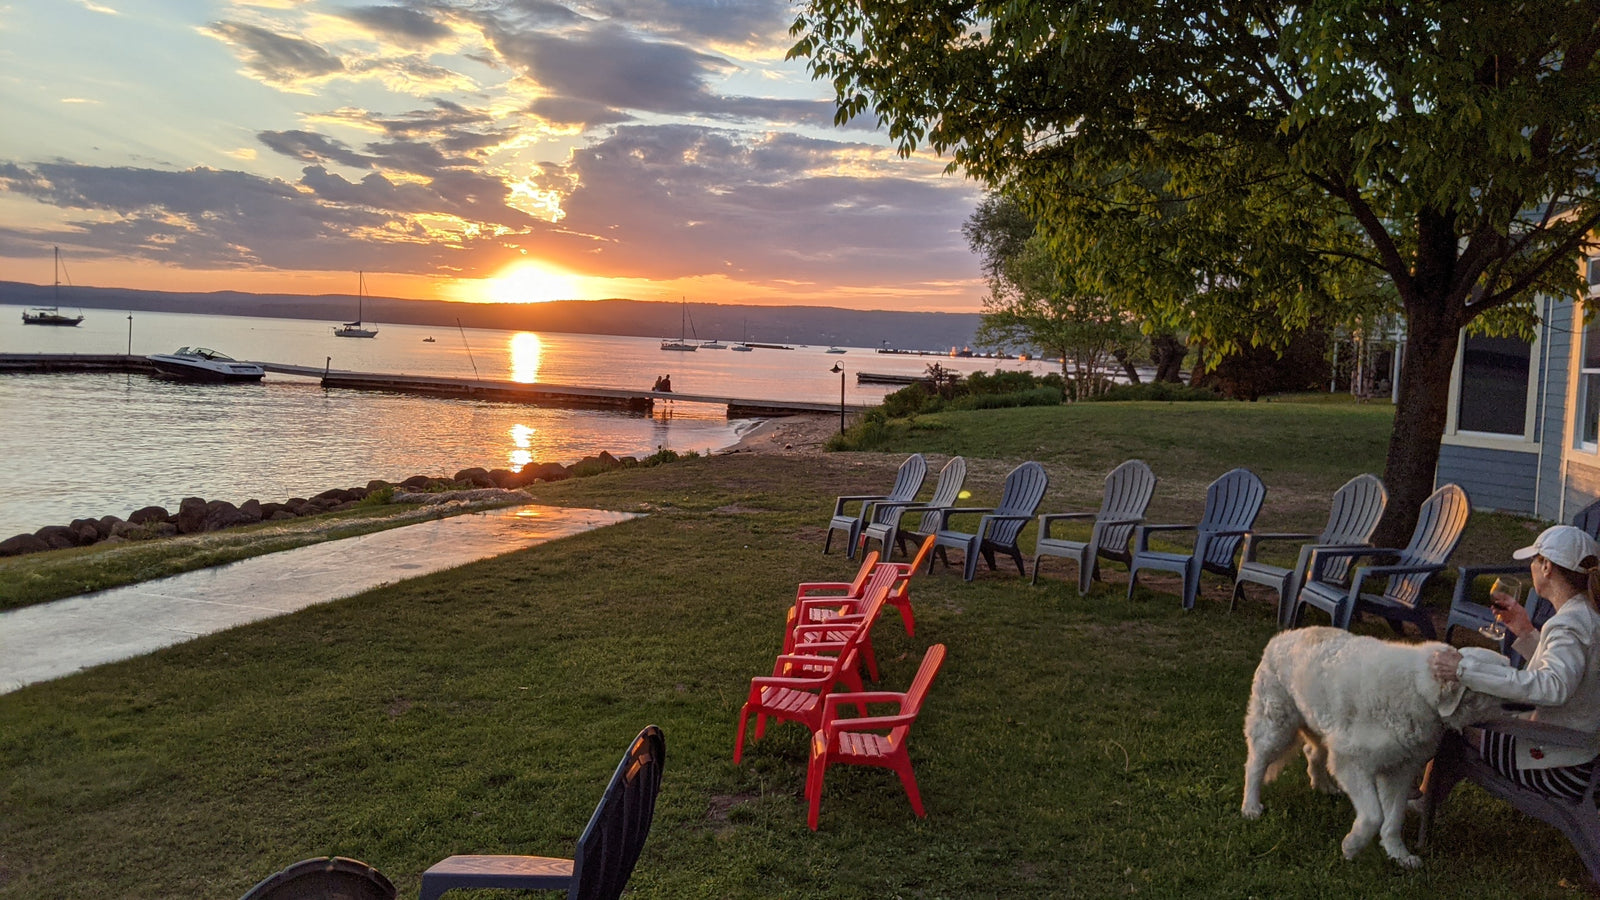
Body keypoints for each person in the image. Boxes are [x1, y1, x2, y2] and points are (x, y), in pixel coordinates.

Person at [1429, 524, 1600, 799]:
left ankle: (1419, 796)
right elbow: (1573, 675)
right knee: (1459, 715)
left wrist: (1463, 670)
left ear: (1547, 568)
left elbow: (1553, 686)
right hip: (1577, 750)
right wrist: (1525, 631)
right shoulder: (1586, 614)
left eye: (1535, 559)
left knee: (1450, 722)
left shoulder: (1569, 624)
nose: (1532, 565)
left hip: (1559, 764)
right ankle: (1424, 794)